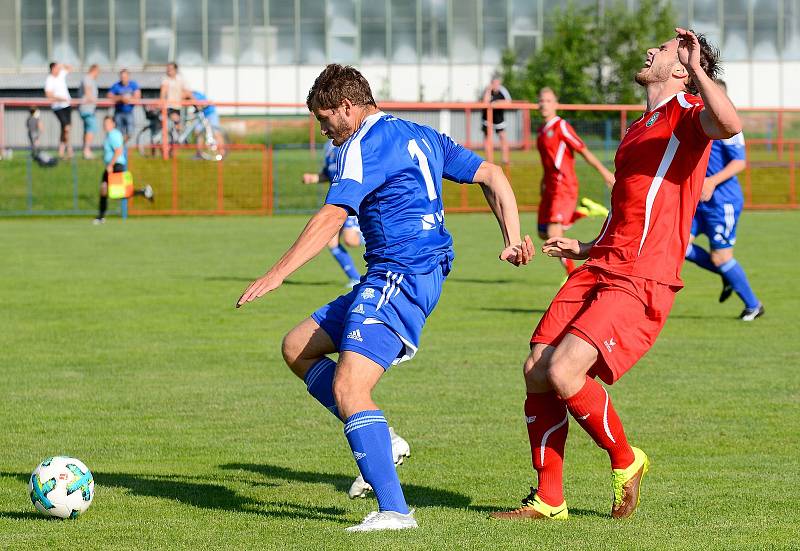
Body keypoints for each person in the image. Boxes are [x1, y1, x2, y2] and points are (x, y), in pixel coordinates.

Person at [237, 64, 533, 532]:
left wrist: (277, 274)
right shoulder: (420, 133)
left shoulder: (361, 145)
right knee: (298, 346)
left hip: (402, 273)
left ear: (347, 107)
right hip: (408, 269)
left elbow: (333, 216)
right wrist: (513, 236)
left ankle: (395, 511)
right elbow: (493, 175)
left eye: (324, 118)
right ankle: (383, 441)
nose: (323, 130)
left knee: (350, 387)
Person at [490, 29, 741, 521]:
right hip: (602, 263)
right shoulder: (637, 127)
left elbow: (729, 123)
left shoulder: (688, 113)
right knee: (537, 368)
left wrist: (698, 67)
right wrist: (585, 247)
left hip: (642, 274)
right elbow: (627, 210)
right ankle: (549, 499)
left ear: (681, 69)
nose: (651, 50)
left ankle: (627, 462)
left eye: (665, 50)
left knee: (565, 372)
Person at [685, 80, 763, 321]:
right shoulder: (699, 119)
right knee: (680, 246)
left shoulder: (728, 124)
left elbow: (739, 162)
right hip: (699, 201)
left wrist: (711, 181)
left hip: (722, 202)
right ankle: (727, 274)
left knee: (721, 257)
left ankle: (753, 305)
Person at [536, 87, 616, 277]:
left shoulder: (561, 126)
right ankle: (583, 211)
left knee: (554, 233)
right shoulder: (541, 131)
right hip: (550, 186)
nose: (544, 104)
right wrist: (542, 182)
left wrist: (605, 173)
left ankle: (571, 276)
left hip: (563, 186)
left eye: (548, 100)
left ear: (555, 104)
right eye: (541, 101)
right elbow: (548, 162)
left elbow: (583, 151)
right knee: (542, 232)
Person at [302, 140, 363, 288]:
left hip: (350, 200)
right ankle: (355, 278)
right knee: (331, 242)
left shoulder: (351, 143)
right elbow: (328, 173)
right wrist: (314, 178)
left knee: (351, 240)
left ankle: (374, 234)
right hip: (335, 202)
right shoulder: (329, 145)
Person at [94, 116, 153, 224]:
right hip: (112, 165)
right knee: (105, 190)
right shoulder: (110, 135)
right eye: (104, 123)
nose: (105, 126)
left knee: (120, 192)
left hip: (116, 166)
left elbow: (119, 150)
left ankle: (143, 192)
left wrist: (110, 164)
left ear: (113, 124)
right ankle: (101, 217)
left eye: (108, 123)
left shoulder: (113, 135)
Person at [44, 61, 73, 159]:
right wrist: (60, 98)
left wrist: (61, 65)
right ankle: (69, 150)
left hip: (67, 105)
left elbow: (70, 67)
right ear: (52, 69)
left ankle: (61, 151)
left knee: (65, 129)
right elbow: (48, 95)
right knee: (66, 128)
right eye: (56, 68)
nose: (58, 69)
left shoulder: (61, 74)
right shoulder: (49, 79)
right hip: (57, 107)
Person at [185, 89, 225, 159]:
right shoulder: (193, 95)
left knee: (216, 133)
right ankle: (199, 154)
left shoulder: (196, 96)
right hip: (201, 115)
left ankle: (222, 153)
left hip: (210, 113)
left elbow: (202, 105)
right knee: (198, 133)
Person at [482, 76, 512, 165]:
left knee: (503, 138)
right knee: (487, 139)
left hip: (499, 119)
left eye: (497, 83)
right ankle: (489, 160)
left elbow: (509, 102)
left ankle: (505, 160)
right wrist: (488, 91)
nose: (495, 85)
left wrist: (497, 103)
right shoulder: (487, 90)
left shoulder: (503, 90)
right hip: (487, 119)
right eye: (494, 83)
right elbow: (485, 102)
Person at [107, 69, 141, 142]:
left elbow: (137, 97)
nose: (123, 79)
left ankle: (121, 145)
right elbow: (109, 96)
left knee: (130, 133)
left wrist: (128, 99)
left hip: (129, 112)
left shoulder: (133, 85)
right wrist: (121, 98)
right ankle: (120, 148)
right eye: (122, 77)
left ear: (128, 77)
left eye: (125, 77)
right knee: (119, 133)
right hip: (118, 112)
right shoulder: (116, 85)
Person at [79, 64, 99, 159]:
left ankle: (85, 150)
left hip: (90, 108)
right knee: (91, 129)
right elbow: (88, 92)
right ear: (94, 70)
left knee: (87, 129)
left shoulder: (91, 80)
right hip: (87, 108)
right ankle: (87, 151)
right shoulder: (88, 78)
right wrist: (94, 100)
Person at [161, 62, 187, 132]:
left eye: (171, 69)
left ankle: (178, 141)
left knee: (178, 127)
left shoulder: (180, 79)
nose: (169, 71)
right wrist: (162, 104)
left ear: (175, 70)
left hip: (179, 107)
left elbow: (185, 91)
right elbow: (163, 94)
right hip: (170, 107)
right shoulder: (166, 80)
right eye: (168, 69)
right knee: (178, 123)